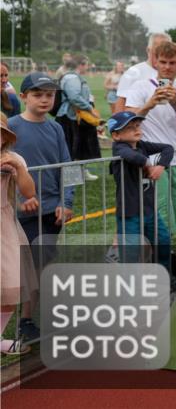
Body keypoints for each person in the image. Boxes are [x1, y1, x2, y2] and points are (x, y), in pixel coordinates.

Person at [9, 72, 74, 342]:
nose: (45, 99)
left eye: (50, 94)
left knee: (39, 265)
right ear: (23, 97)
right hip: (17, 214)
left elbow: (67, 168)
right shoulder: (11, 127)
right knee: (19, 266)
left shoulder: (56, 128)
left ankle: (27, 319)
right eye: (38, 94)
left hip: (50, 212)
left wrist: (66, 202)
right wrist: (20, 199)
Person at [124, 40, 176, 235]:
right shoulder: (140, 86)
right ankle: (157, 258)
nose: (167, 67)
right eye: (163, 62)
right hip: (151, 160)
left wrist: (175, 102)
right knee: (161, 214)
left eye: (172, 63)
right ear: (155, 62)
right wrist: (150, 103)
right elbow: (129, 119)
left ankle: (167, 253)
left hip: (173, 159)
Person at [107, 112, 176, 289]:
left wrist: (161, 166)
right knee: (131, 253)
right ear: (116, 135)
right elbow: (132, 157)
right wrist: (149, 164)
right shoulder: (119, 149)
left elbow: (168, 148)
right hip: (129, 213)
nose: (136, 130)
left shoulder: (142, 145)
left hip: (149, 210)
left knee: (163, 241)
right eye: (130, 128)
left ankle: (165, 277)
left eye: (137, 126)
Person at [1, 114, 40, 354]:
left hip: (4, 224)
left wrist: (16, 168)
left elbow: (29, 191)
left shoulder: (13, 158)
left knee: (11, 284)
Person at [57, 54, 101, 172]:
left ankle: (77, 172)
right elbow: (74, 97)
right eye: (86, 64)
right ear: (81, 65)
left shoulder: (74, 77)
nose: (87, 67)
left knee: (78, 146)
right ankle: (67, 174)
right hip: (68, 117)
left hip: (74, 116)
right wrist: (90, 108)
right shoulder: (72, 78)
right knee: (69, 147)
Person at [113, 32, 172, 114]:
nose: (161, 55)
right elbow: (120, 106)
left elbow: (164, 106)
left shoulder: (168, 72)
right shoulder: (133, 72)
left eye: (165, 51)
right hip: (139, 125)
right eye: (157, 51)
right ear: (148, 50)